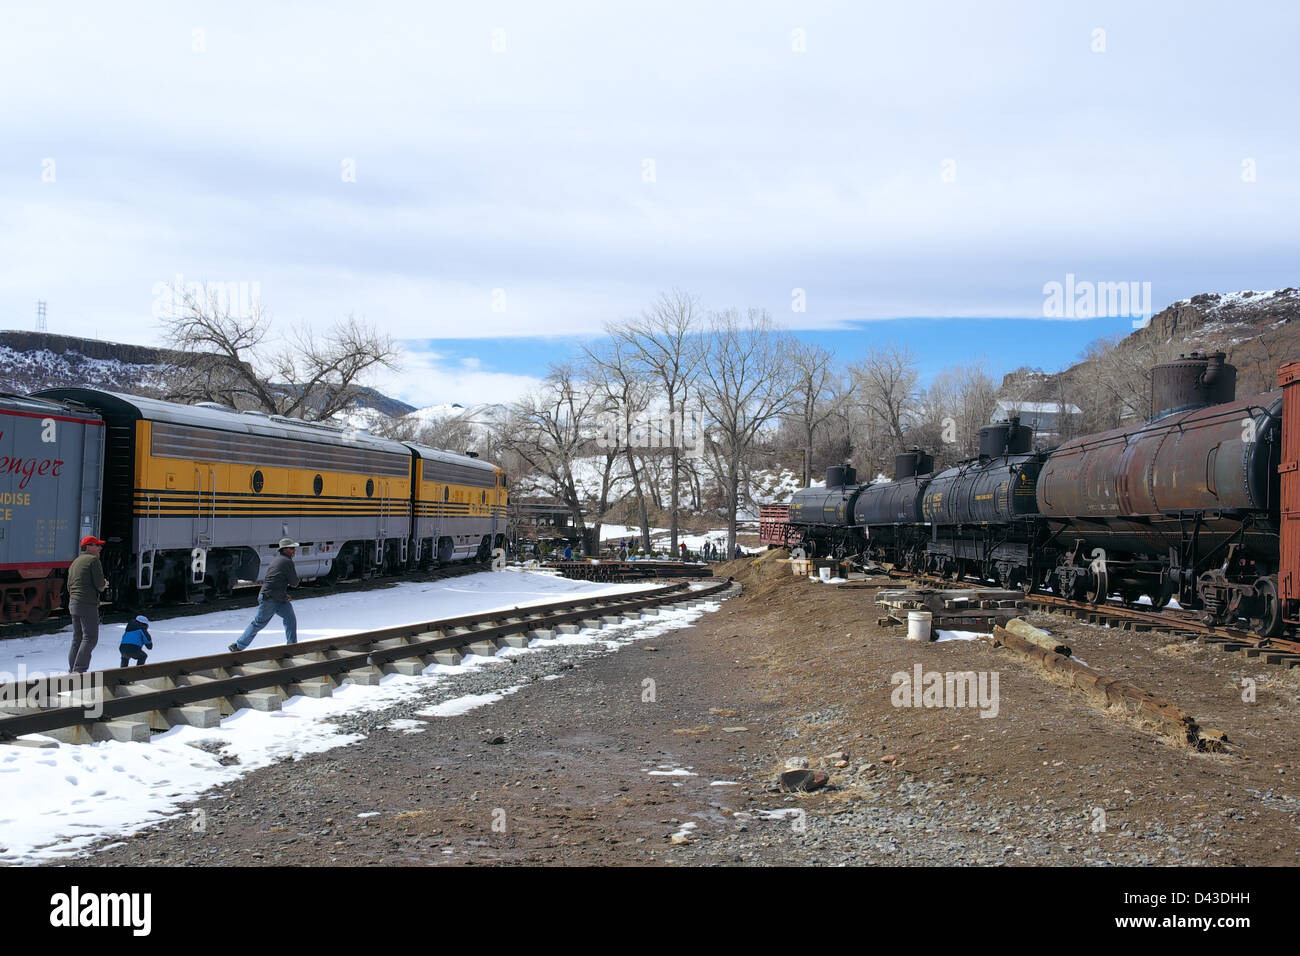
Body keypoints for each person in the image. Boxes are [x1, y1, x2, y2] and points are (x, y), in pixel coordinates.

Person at [229, 538, 300, 651]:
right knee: (258, 623)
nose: (294, 550)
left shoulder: (276, 560)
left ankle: (292, 646)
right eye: (292, 548)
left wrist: (283, 595)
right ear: (285, 549)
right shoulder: (287, 562)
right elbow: (294, 582)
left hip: (278, 598)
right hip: (270, 599)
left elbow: (276, 581)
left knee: (290, 618)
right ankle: (238, 646)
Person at [67, 535, 108, 673]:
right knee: (90, 638)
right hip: (87, 603)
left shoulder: (76, 562)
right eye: (97, 545)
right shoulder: (93, 560)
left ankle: (72, 669)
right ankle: (79, 671)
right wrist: (104, 584)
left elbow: (69, 585)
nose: (100, 548)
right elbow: (99, 584)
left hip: (74, 603)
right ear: (89, 546)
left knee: (77, 638)